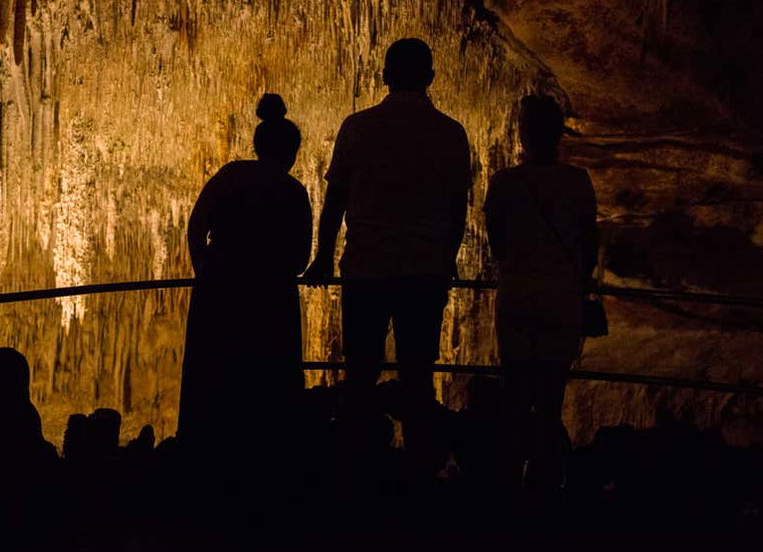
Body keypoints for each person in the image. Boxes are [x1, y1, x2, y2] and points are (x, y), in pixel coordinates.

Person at [303, 38, 471, 484]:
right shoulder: (450, 133)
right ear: (431, 78)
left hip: (368, 267)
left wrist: (322, 256)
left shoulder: (358, 127)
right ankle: (418, 473)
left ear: (384, 76)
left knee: (360, 372)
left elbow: (335, 199)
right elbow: (458, 210)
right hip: (424, 270)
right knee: (418, 375)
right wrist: (447, 257)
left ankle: (354, 470)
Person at [177, 93, 313, 450]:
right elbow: (300, 259)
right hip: (271, 296)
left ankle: (206, 452)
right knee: (266, 379)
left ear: (257, 145)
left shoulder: (231, 176)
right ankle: (264, 455)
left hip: (220, 288)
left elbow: (195, 226)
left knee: (214, 373)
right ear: (292, 153)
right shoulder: (294, 191)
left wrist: (204, 270)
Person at [483, 94, 597, 494]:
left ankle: (508, 479)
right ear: (559, 134)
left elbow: (496, 242)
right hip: (561, 295)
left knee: (514, 393)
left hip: (518, 293)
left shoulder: (505, 182)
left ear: (523, 133)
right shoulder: (577, 181)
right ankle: (546, 483)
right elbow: (589, 241)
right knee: (550, 395)